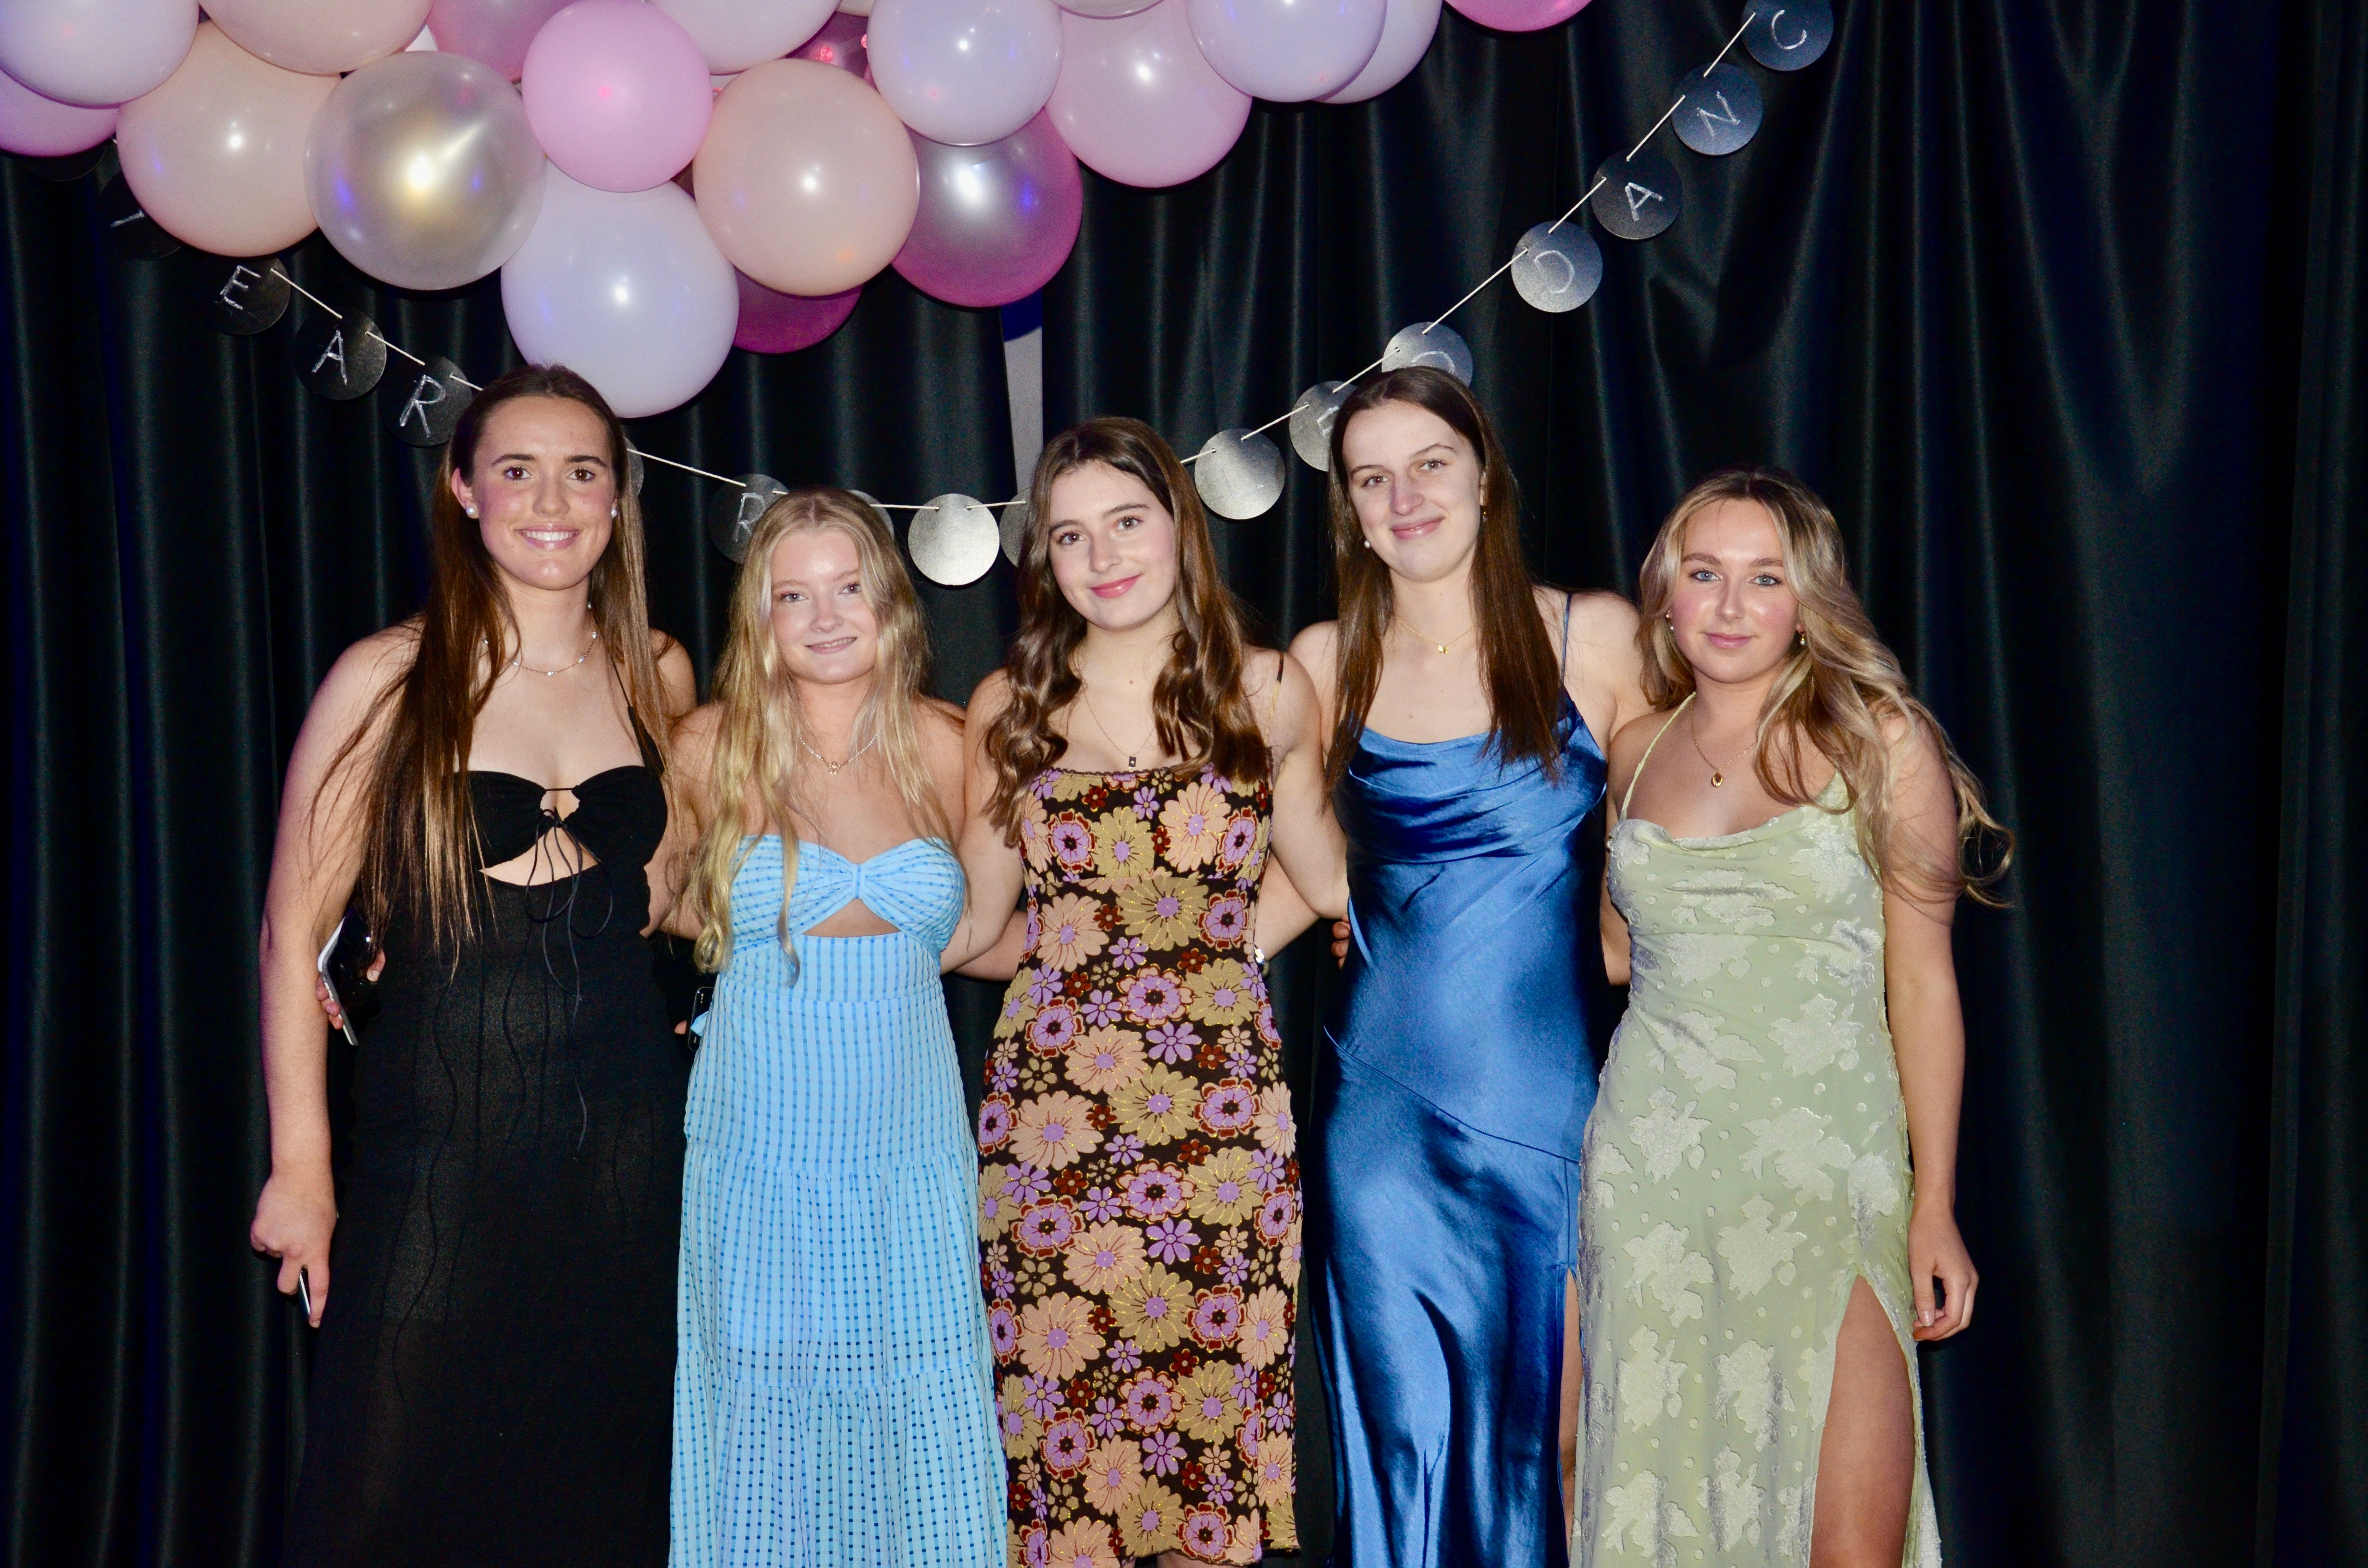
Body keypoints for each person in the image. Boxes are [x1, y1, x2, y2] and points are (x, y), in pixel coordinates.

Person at [250, 365, 698, 1566]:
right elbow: (296, 931)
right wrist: (303, 1169)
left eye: (583, 471)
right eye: (517, 469)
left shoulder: (658, 671)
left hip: (626, 1151)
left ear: (618, 498)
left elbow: (674, 895)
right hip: (436, 1148)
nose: (551, 500)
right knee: (383, 1493)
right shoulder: (390, 677)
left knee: (601, 1483)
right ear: (463, 490)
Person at [1578, 466, 2003, 1568]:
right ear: (1664, 594)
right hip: (1653, 1174)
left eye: (1763, 579)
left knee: (1846, 1547)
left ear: (1806, 599)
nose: (1727, 606)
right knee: (1664, 1523)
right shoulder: (1631, 756)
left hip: (1829, 1172)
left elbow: (1923, 983)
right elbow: (1617, 955)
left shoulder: (1882, 739)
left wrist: (1934, 1203)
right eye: (1703, 574)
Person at [956, 417, 1347, 1566]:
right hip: (1051, 1128)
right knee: (1067, 1467)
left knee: (1204, 1466)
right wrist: (815, 929)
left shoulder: (1265, 688)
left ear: (1180, 525)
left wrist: (1205, 949)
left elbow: (1326, 877)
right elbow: (983, 928)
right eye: (1070, 536)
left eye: (1126, 522)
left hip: (1220, 1131)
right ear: (1046, 563)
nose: (1103, 555)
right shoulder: (1007, 707)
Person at [1287, 366, 1650, 1567]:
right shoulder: (1322, 659)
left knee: (1551, 1448)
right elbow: (1303, 873)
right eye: (1371, 478)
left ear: (1482, 473)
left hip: (1549, 1110)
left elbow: (1683, 830)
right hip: (1378, 1117)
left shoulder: (1589, 636)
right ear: (1348, 506)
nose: (1405, 497)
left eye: (1428, 463)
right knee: (1398, 1447)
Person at [661, 488, 1017, 1568]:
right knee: (763, 1413)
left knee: (918, 1415)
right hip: (759, 1147)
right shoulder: (706, 747)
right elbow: (651, 905)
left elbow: (995, 937)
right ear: (757, 618)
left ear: (891, 602)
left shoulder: (952, 743)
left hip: (907, 1153)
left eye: (847, 587)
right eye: (791, 595)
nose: (824, 616)